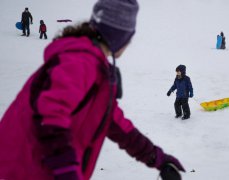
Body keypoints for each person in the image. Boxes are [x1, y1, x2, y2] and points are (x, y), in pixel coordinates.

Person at [0, 0, 185, 180]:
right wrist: (67, 171)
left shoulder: (94, 66)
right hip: (20, 171)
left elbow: (114, 123)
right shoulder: (80, 60)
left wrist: (156, 158)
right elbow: (49, 116)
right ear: (120, 37)